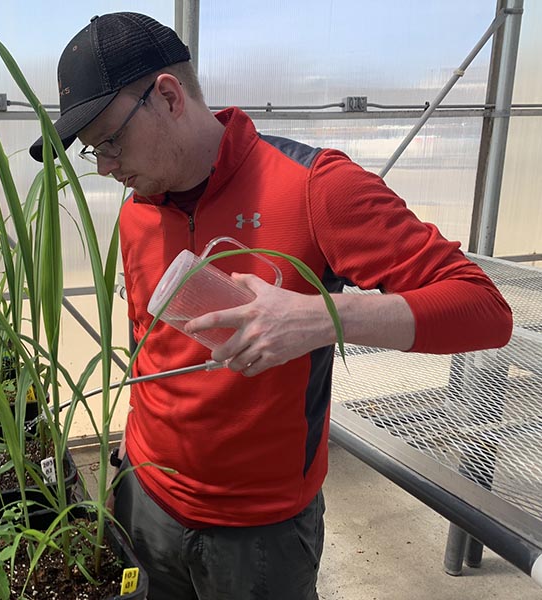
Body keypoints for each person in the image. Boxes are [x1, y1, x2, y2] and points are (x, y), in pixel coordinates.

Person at [29, 12, 513, 600]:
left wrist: (324, 317)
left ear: (168, 95)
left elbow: (483, 309)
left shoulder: (313, 187)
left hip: (260, 535)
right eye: (90, 151)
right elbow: (149, 346)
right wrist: (126, 470)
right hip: (145, 499)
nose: (104, 168)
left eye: (109, 141)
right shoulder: (139, 209)